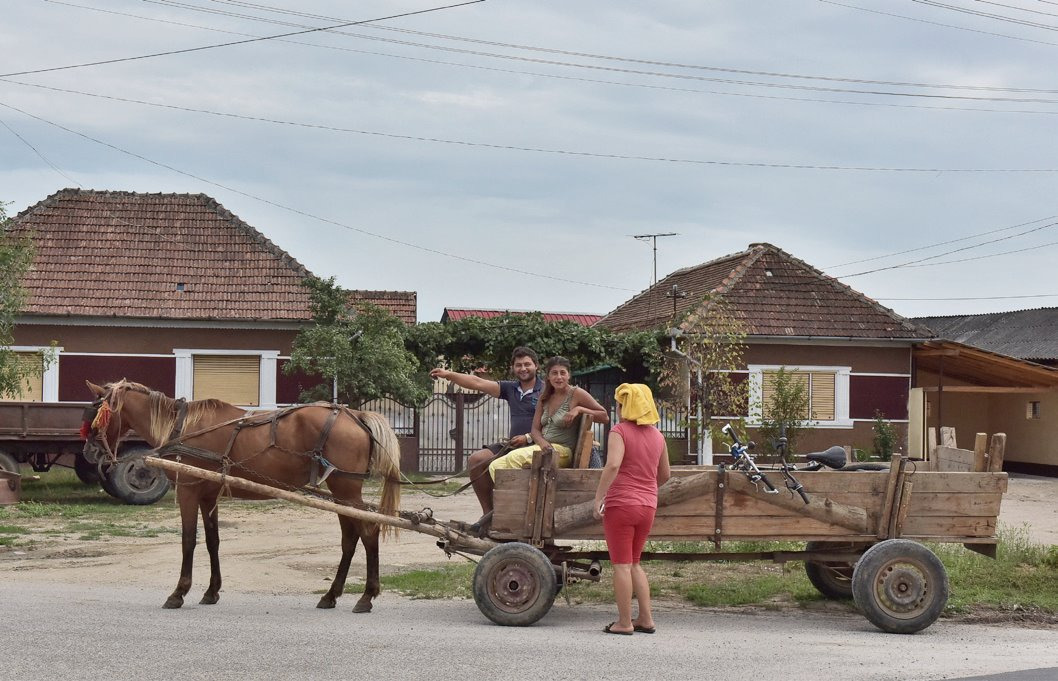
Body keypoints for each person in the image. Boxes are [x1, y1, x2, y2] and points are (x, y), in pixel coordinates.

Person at [429, 347, 543, 522]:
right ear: (513, 368)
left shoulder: (546, 390)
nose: (523, 368)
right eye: (518, 365)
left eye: (527, 364)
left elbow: (552, 422)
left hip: (536, 445)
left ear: (536, 366)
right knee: (476, 460)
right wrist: (448, 374)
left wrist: (528, 437)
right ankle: (489, 515)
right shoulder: (510, 388)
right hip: (513, 445)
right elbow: (477, 383)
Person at [592, 383, 671, 636]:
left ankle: (624, 623)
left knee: (621, 565)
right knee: (635, 563)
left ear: (625, 405)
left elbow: (613, 465)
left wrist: (598, 498)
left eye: (619, 403)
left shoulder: (620, 431)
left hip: (621, 505)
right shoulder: (658, 436)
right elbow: (665, 474)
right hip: (648, 505)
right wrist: (645, 489)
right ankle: (646, 619)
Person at [487, 356, 609, 481]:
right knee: (496, 465)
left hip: (563, 452)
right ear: (548, 377)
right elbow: (535, 430)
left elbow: (604, 416)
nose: (559, 377)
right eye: (554, 373)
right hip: (544, 448)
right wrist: (543, 444)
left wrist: (579, 409)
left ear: (568, 375)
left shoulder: (576, 393)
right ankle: (514, 499)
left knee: (514, 458)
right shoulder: (545, 396)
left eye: (563, 373)